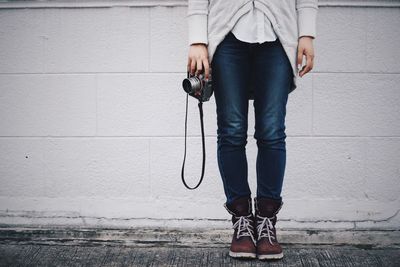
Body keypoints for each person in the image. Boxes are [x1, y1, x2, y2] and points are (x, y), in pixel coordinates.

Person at [186, 0, 318, 261]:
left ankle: (267, 223)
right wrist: (197, 40)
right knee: (232, 131)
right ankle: (242, 222)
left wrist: (307, 32)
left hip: (278, 36)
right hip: (226, 35)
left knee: (272, 132)